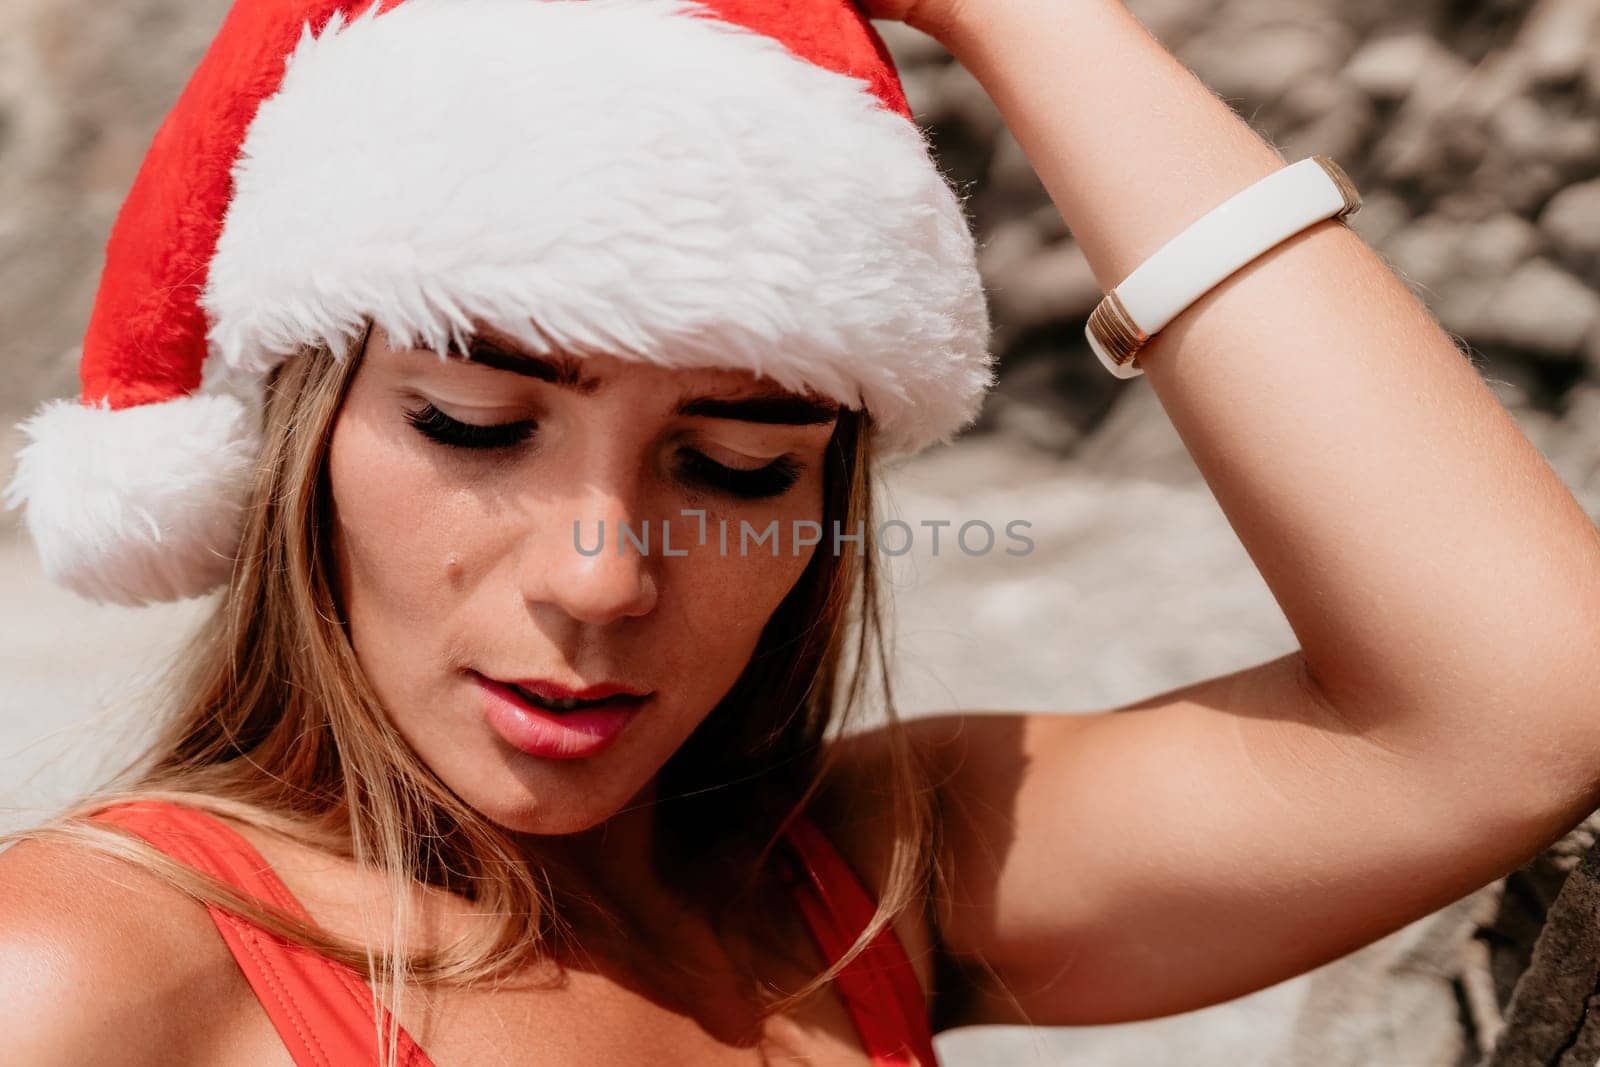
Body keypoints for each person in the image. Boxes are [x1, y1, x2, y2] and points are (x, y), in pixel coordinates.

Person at [3, 0, 1598, 1064]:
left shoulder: (858, 891)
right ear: (300, 445)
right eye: (475, 429)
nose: (605, 575)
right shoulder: (89, 975)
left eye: (744, 466)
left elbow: (1518, 700)